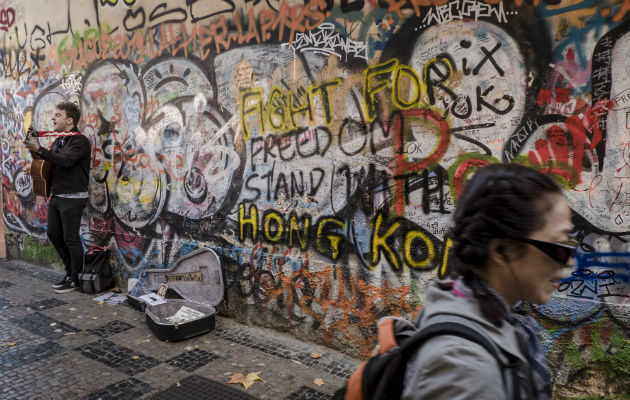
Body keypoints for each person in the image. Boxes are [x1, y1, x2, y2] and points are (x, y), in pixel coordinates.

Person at [402, 163, 575, 400]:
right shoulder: (466, 370)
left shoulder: (471, 306)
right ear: (503, 250)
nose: (568, 261)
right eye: (559, 245)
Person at [24, 102, 91, 294]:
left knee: (70, 238)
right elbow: (49, 162)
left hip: (73, 197)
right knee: (54, 234)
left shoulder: (80, 141)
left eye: (58, 115)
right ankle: (70, 273)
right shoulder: (59, 140)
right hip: (57, 195)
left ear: (69, 120)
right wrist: (34, 149)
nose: (53, 118)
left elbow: (67, 161)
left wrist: (42, 149)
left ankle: (76, 277)